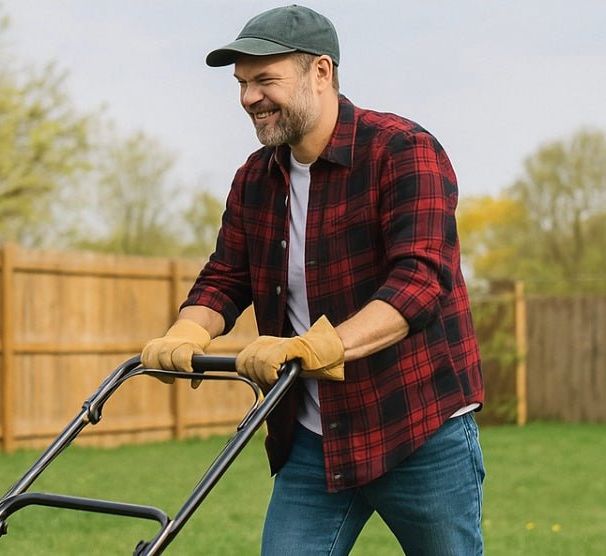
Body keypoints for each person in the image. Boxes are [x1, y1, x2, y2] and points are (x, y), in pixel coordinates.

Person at [140, 5, 485, 555]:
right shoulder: (255, 177)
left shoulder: (401, 150)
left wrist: (320, 344)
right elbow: (226, 276)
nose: (248, 97)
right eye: (242, 83)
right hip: (313, 437)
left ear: (320, 73)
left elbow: (419, 281)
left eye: (264, 80)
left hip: (417, 427)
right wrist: (187, 331)